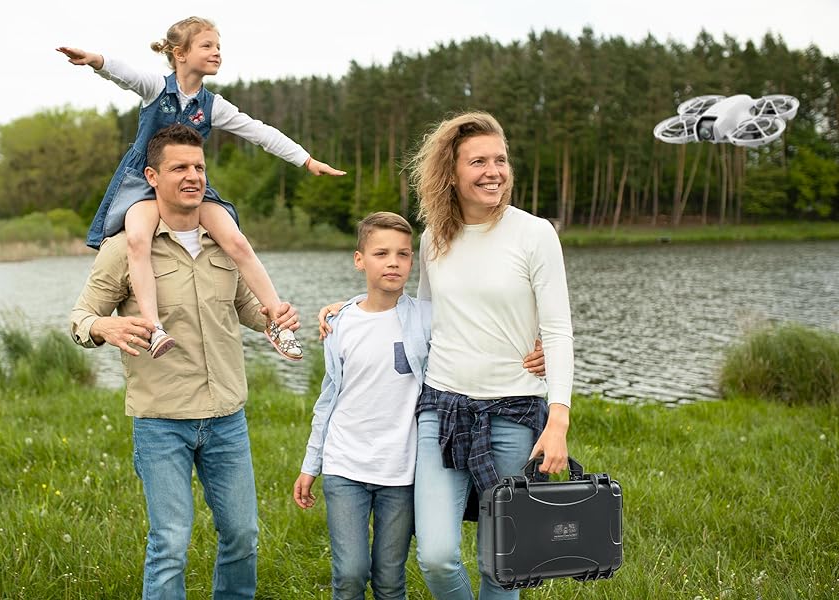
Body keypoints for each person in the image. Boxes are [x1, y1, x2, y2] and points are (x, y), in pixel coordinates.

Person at [323, 112, 573, 599]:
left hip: (515, 413)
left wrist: (558, 417)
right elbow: (418, 314)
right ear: (451, 173)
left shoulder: (535, 233)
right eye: (478, 161)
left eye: (500, 159)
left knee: (502, 560)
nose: (493, 171)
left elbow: (558, 328)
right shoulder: (434, 238)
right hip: (442, 411)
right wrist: (347, 309)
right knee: (436, 556)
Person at [69, 123, 299, 600]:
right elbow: (81, 317)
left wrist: (274, 320)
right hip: (161, 421)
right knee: (170, 543)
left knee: (242, 536)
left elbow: (245, 309)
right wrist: (103, 327)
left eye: (198, 167)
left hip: (226, 419)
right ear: (152, 176)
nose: (192, 176)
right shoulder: (124, 248)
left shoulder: (225, 241)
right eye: (179, 168)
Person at [58, 15, 343, 361]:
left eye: (219, 47)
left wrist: (306, 160)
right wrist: (95, 62)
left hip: (189, 183)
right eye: (207, 46)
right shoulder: (155, 88)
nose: (217, 52)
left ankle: (277, 322)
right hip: (143, 182)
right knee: (137, 239)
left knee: (236, 239)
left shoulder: (213, 105)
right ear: (180, 53)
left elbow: (259, 131)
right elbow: (125, 75)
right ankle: (154, 327)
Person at [299, 212, 546, 600]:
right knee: (349, 575)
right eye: (381, 253)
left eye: (404, 254)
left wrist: (539, 342)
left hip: (401, 471)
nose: (394, 262)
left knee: (389, 578)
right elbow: (329, 397)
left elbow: (483, 324)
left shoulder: (427, 318)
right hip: (343, 464)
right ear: (359, 259)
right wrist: (311, 463)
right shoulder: (341, 322)